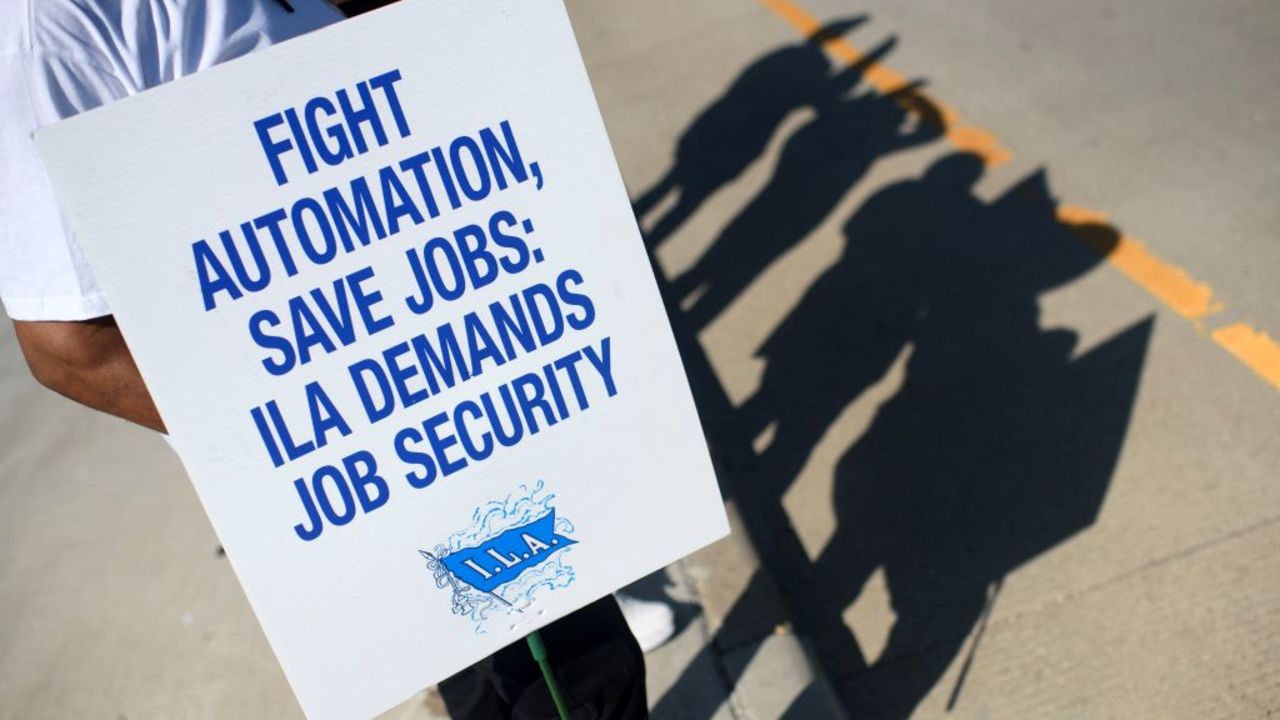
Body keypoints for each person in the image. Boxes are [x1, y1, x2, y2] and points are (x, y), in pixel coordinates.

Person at [0, 1, 649, 717]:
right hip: (373, 444)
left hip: (464, 366)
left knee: (579, 655)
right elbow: (70, 347)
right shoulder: (48, 23)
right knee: (562, 682)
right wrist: (319, 434)